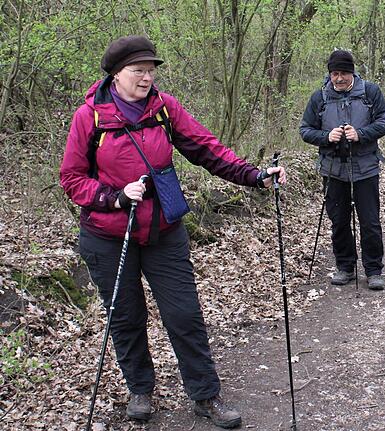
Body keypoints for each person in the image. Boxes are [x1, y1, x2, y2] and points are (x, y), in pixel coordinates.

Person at [60, 35, 286, 429]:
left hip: (164, 230)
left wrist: (253, 175)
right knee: (126, 318)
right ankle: (141, 390)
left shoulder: (164, 109)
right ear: (116, 74)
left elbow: (206, 148)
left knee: (184, 315)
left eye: (150, 70)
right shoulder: (90, 117)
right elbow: (72, 179)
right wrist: (113, 197)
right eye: (138, 71)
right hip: (109, 235)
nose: (147, 78)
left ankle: (205, 396)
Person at [299, 50, 385, 290]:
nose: (339, 78)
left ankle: (373, 271)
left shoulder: (370, 92)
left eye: (344, 73)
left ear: (352, 72)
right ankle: (345, 267)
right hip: (332, 169)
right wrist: (326, 136)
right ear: (330, 74)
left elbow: (384, 121)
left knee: (369, 221)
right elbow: (305, 130)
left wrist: (360, 134)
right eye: (335, 73)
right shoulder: (319, 98)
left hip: (366, 167)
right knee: (339, 221)